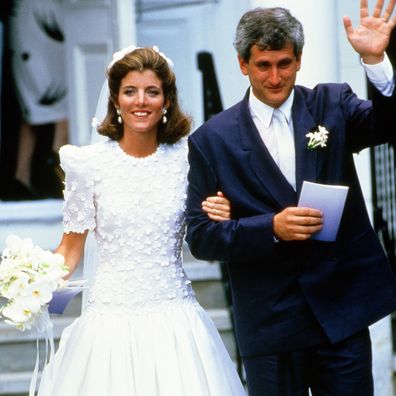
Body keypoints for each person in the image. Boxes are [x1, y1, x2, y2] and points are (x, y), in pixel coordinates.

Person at [186, 1, 396, 395]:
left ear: (299, 60)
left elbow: (388, 124)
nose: (275, 76)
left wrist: (375, 61)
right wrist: (271, 228)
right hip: (270, 321)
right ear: (242, 64)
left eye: (284, 63)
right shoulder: (212, 140)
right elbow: (201, 237)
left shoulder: (331, 104)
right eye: (263, 65)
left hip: (342, 310)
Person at [37, 46, 246, 395]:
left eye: (152, 92)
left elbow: (209, 219)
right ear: (116, 100)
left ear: (166, 101)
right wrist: (31, 282)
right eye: (130, 91)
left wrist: (223, 211)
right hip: (109, 323)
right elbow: (70, 250)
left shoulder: (189, 160)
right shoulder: (87, 165)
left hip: (174, 317)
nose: (141, 101)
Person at [7, 0, 68, 200]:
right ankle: (53, 167)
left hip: (44, 17)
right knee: (49, 96)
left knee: (55, 96)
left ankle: (23, 177)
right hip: (40, 17)